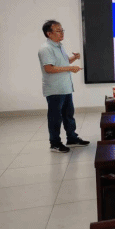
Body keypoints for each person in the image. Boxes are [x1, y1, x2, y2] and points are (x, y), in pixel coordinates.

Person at [38, 20, 89, 154]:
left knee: (68, 115)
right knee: (55, 118)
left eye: (62, 30)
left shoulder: (59, 46)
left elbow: (62, 63)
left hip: (65, 88)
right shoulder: (46, 49)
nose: (61, 33)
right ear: (49, 34)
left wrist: (73, 58)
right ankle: (55, 143)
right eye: (58, 31)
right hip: (55, 90)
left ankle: (72, 138)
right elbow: (49, 68)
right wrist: (70, 68)